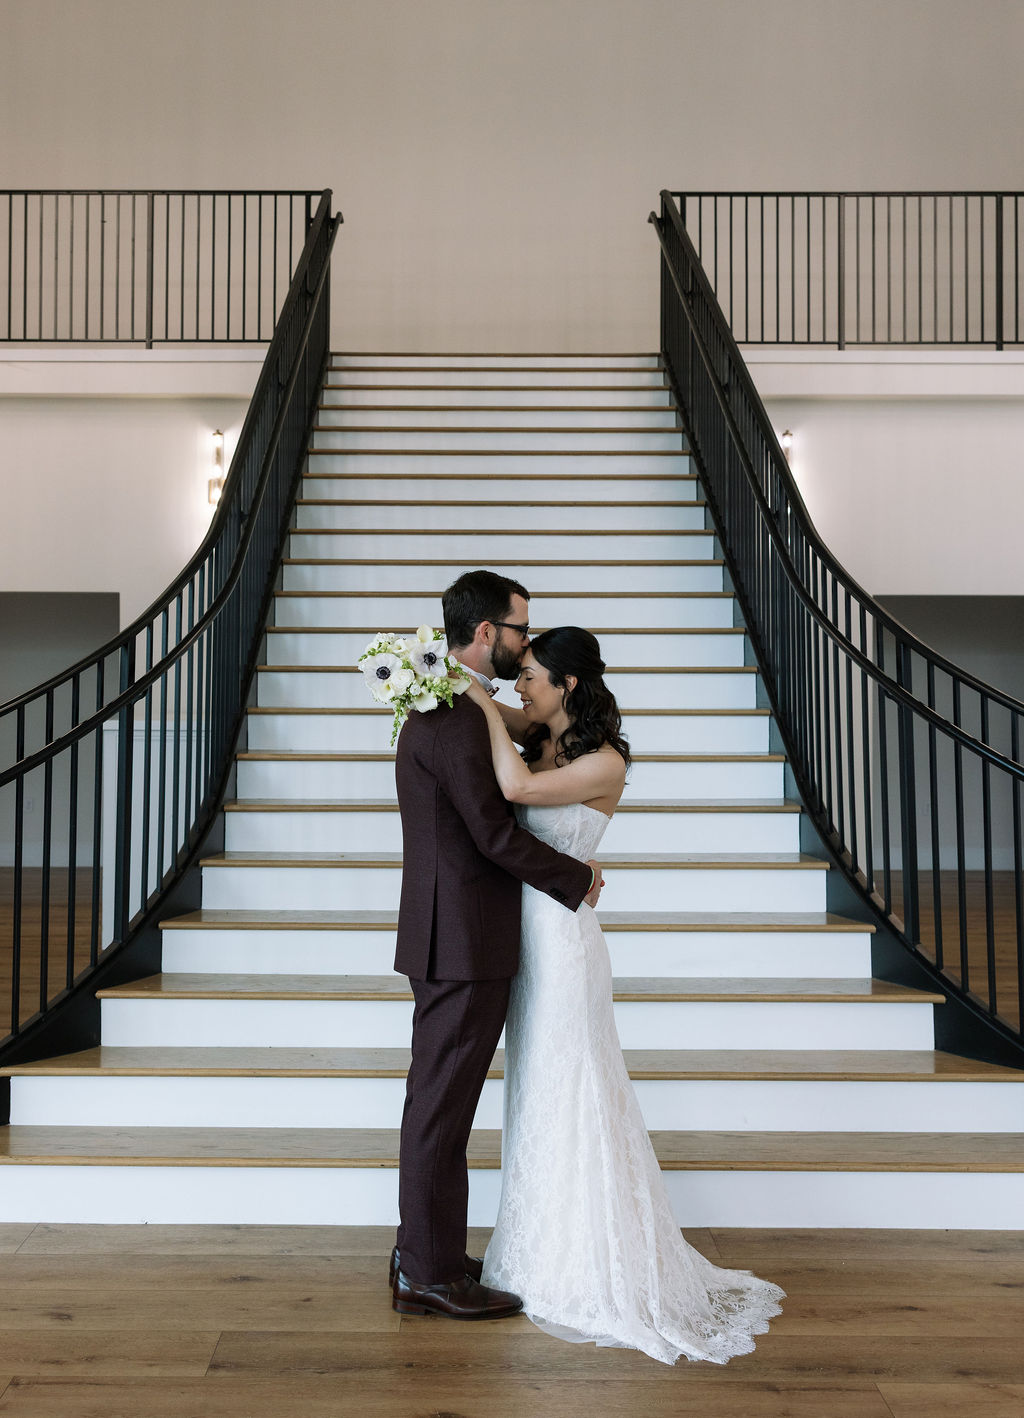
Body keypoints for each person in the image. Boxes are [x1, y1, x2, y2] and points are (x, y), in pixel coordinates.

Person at [465, 625, 786, 1365]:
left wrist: (474, 700)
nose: (522, 684)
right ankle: (534, 1247)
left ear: (569, 685)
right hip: (527, 942)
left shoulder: (603, 760)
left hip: (566, 946)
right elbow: (494, 704)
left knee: (575, 1088)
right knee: (537, 1093)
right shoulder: (543, 729)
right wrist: (459, 681)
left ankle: (588, 1265)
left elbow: (513, 789)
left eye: (534, 675)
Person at [390, 572, 604, 1320]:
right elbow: (490, 831)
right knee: (441, 1114)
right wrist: (574, 878)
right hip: (462, 940)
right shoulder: (452, 712)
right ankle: (427, 1271)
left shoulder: (454, 704)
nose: (524, 644)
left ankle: (425, 1253)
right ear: (487, 633)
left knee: (437, 1107)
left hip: (452, 934)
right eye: (519, 630)